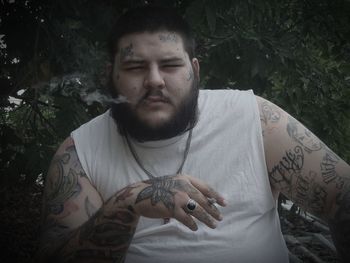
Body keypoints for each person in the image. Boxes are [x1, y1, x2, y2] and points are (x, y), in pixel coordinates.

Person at [37, 5, 350, 263]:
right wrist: (127, 202)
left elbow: (342, 195)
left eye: (171, 65)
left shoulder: (254, 119)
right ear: (111, 75)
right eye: (135, 67)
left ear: (195, 71)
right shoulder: (79, 153)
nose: (154, 81)